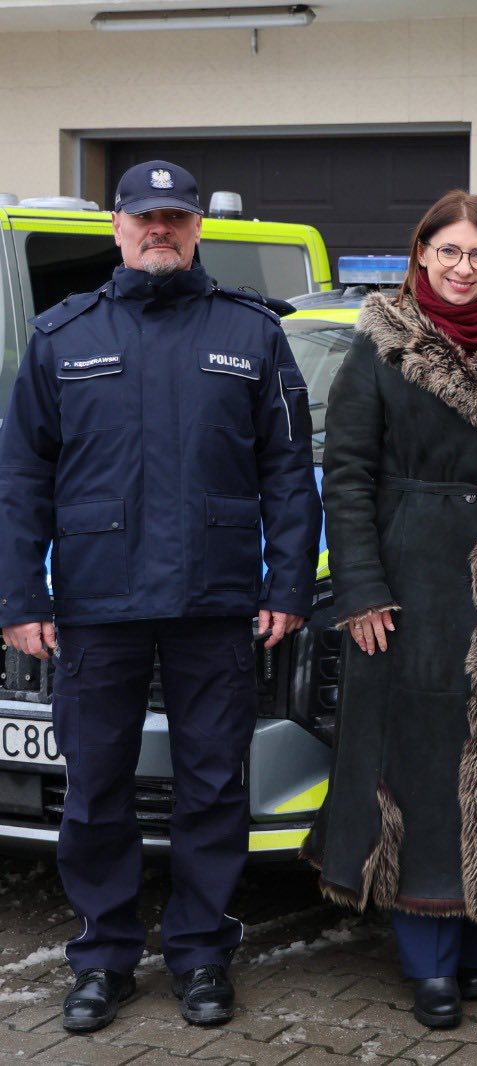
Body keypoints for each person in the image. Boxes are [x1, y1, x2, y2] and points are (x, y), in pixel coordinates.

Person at [0, 159, 320, 1032]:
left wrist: (288, 583)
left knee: (212, 786)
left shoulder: (252, 334)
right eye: (145, 217)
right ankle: (102, 957)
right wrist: (21, 596)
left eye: (176, 217)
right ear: (117, 226)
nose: (160, 230)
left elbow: (290, 473)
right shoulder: (64, 336)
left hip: (214, 605)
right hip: (97, 607)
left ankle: (200, 954)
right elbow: (22, 476)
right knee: (96, 788)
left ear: (197, 229)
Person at [300, 190, 477, 1029]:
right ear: (420, 257)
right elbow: (346, 477)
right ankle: (429, 957)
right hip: (410, 582)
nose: (461, 268)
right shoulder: (380, 348)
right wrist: (362, 588)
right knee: (420, 758)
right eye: (447, 252)